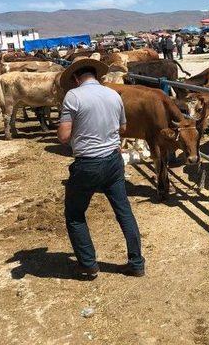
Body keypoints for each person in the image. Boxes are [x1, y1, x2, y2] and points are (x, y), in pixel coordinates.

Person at [57, 58, 145, 279]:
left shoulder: (73, 96)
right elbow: (123, 127)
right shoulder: (113, 95)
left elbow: (64, 137)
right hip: (113, 161)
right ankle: (136, 262)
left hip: (87, 162)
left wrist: (80, 127)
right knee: (124, 212)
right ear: (95, 75)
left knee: (75, 215)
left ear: (76, 78)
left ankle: (88, 264)